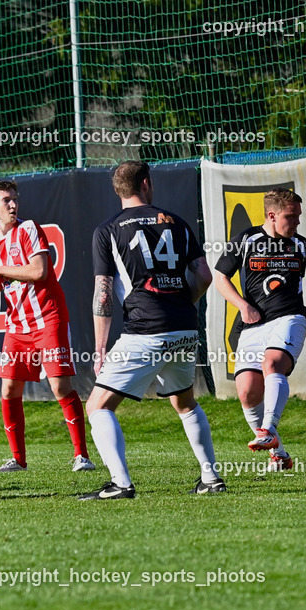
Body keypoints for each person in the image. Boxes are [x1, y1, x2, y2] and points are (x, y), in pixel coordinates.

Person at [79, 161, 222, 500]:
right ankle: (211, 478)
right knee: (185, 402)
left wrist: (100, 350)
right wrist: (184, 303)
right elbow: (203, 275)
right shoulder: (177, 222)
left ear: (119, 190)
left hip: (145, 328)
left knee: (98, 406)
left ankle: (120, 484)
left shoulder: (109, 229)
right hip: (184, 327)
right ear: (146, 184)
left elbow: (103, 292)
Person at [0, 180, 95, 474]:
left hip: (48, 317)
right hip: (17, 325)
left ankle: (82, 456)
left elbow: (39, 271)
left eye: (14, 199)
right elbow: (1, 283)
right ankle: (18, 460)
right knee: (9, 389)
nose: (13, 205)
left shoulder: (29, 229)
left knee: (60, 385)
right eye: (6, 200)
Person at [213, 187, 306, 472]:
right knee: (247, 392)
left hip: (290, 317)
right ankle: (278, 453)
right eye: (291, 217)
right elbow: (219, 277)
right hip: (253, 323)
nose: (297, 223)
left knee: (273, 362)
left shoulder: (300, 245)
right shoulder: (246, 239)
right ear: (271, 214)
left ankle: (267, 429)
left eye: (298, 216)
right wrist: (243, 306)